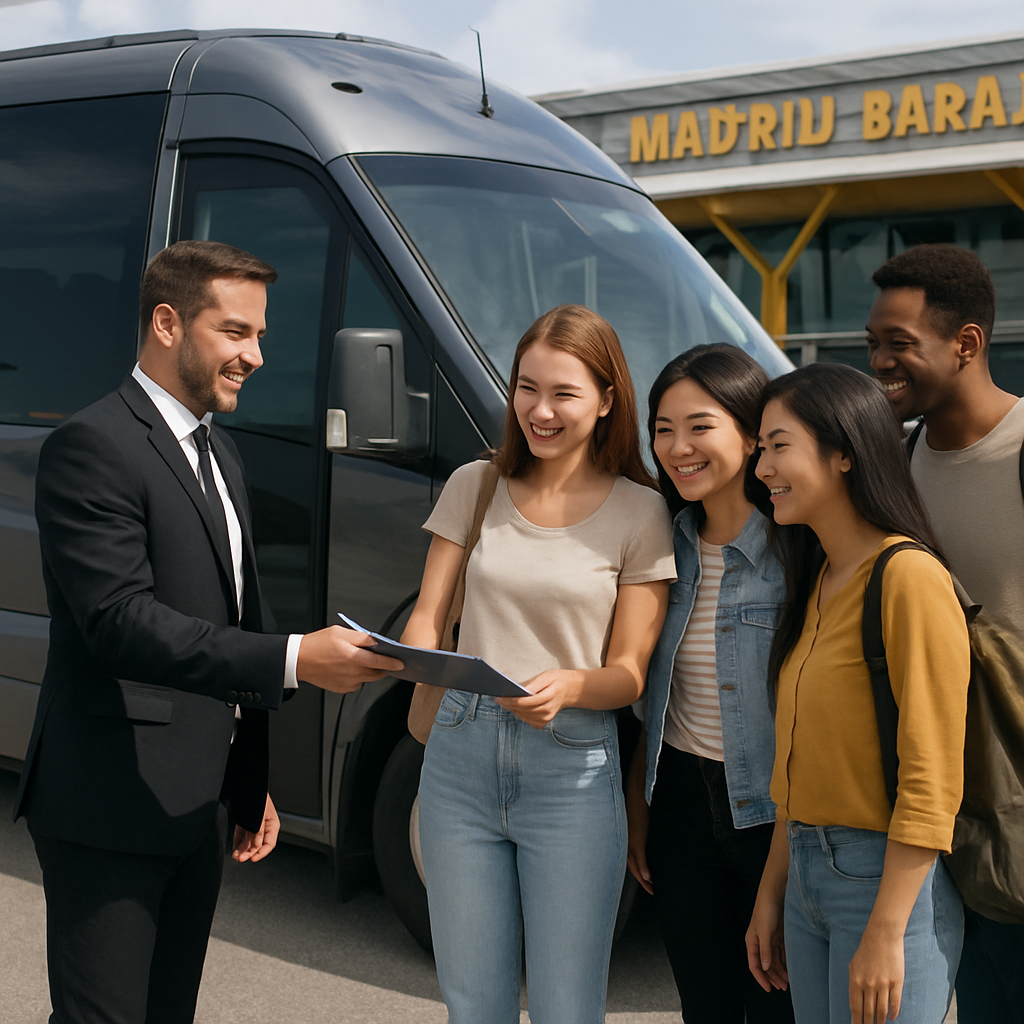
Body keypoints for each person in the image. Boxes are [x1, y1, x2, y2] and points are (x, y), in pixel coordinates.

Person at [14, 240, 402, 1024]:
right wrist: (297, 658)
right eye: (235, 332)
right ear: (167, 322)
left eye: (259, 334)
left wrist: (247, 776)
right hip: (108, 804)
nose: (255, 355)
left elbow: (228, 613)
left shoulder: (219, 451)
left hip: (195, 801)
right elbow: (120, 625)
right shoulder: (91, 447)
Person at [401, 304, 675, 1024]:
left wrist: (572, 686)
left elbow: (631, 673)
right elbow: (430, 616)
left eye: (564, 393)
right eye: (527, 388)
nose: (540, 411)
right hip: (459, 755)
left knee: (566, 1008)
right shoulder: (476, 483)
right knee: (473, 1003)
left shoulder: (640, 512)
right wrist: (410, 656)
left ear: (608, 399)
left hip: (573, 769)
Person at [747, 362, 969, 1024]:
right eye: (761, 448)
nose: (762, 467)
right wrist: (771, 892)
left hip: (883, 883)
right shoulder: (817, 579)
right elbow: (799, 767)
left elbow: (933, 777)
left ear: (844, 452)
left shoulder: (908, 578)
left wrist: (887, 931)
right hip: (808, 873)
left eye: (779, 445)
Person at [867, 242, 1024, 1024]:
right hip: (935, 811)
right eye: (873, 344)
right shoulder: (895, 461)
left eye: (899, 344)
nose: (880, 362)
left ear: (966, 344)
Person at [625, 344, 794, 1024]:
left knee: (783, 1007)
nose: (677, 447)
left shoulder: (797, 551)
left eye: (700, 426)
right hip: (679, 813)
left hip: (774, 818)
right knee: (707, 1007)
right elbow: (657, 699)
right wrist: (641, 808)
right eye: (663, 429)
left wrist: (776, 879)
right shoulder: (662, 544)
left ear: (753, 434)